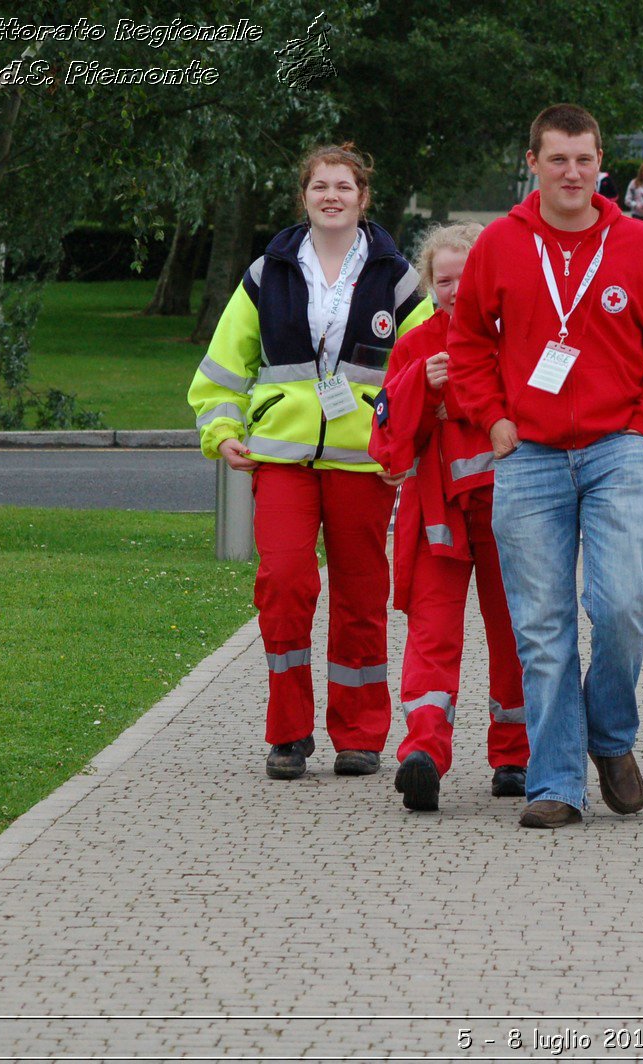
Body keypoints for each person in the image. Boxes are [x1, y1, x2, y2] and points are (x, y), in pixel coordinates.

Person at [448, 103, 643, 829]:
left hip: (617, 449)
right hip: (528, 456)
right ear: (533, 164)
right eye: (557, 159)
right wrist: (493, 419)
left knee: (622, 607)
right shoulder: (500, 244)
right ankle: (555, 780)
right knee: (542, 626)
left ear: (601, 163)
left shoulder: (640, 245)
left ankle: (610, 736)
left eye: (584, 159)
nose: (572, 173)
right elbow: (467, 344)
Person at [187, 142, 431, 781]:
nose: (332, 196)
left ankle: (360, 734)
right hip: (281, 459)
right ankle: (288, 733)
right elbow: (221, 367)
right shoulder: (267, 271)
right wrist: (221, 428)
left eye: (344, 187)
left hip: (362, 465)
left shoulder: (397, 276)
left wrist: (401, 446)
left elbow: (424, 371)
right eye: (321, 186)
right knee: (286, 585)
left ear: (363, 197)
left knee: (361, 595)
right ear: (305, 196)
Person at [368, 222, 530, 812]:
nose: (457, 290)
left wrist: (451, 393)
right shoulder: (416, 345)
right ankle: (423, 753)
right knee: (432, 634)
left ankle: (515, 754)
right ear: (430, 286)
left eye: (467, 277)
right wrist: (421, 387)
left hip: (510, 510)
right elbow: (386, 446)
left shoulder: (518, 336)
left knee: (515, 631)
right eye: (444, 280)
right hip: (437, 516)